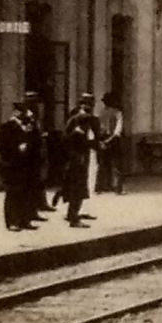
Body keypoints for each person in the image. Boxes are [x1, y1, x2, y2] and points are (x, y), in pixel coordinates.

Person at [0, 98, 37, 232]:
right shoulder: (7, 127)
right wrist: (17, 148)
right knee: (13, 194)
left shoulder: (26, 127)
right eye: (21, 112)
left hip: (24, 166)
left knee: (25, 194)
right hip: (11, 166)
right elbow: (1, 146)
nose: (23, 115)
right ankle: (12, 221)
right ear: (15, 112)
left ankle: (24, 220)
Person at [61, 94, 101, 228]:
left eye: (90, 103)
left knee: (81, 186)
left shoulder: (89, 119)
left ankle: (73, 214)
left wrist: (96, 144)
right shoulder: (77, 119)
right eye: (86, 103)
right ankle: (73, 217)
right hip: (76, 158)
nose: (89, 106)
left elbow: (94, 137)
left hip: (84, 155)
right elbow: (66, 138)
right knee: (77, 187)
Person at [97, 92, 125, 195]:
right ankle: (117, 188)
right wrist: (110, 139)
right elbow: (118, 130)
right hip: (114, 140)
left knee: (102, 163)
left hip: (102, 139)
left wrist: (101, 141)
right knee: (116, 164)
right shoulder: (118, 113)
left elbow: (98, 128)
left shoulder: (100, 113)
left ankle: (100, 187)